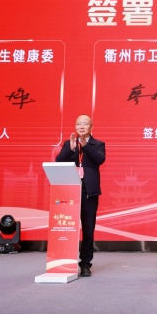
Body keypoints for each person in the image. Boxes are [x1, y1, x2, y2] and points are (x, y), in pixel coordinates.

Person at [56, 114, 106, 277]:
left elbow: (99, 160)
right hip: (70, 191)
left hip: (88, 192)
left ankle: (85, 263)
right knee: (67, 227)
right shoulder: (69, 143)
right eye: (79, 124)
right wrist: (70, 149)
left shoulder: (98, 144)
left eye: (85, 124)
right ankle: (65, 261)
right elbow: (59, 161)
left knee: (88, 229)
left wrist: (85, 146)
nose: (81, 127)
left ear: (91, 127)